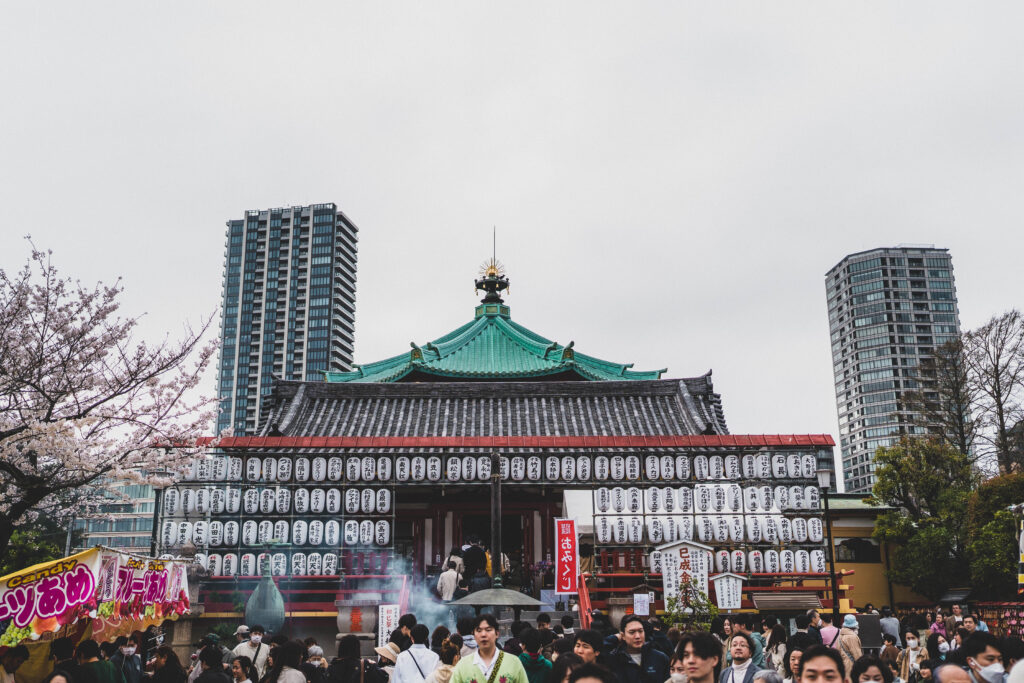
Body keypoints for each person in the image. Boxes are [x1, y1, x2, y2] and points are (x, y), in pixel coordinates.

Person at [450, 614, 529, 683]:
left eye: (488, 630)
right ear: (473, 634)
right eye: (479, 630)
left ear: (497, 633)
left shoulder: (514, 662)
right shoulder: (463, 664)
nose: (483, 634)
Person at [608, 615, 671, 683]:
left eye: (640, 631)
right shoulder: (614, 659)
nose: (637, 636)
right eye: (632, 632)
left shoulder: (660, 658)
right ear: (623, 636)